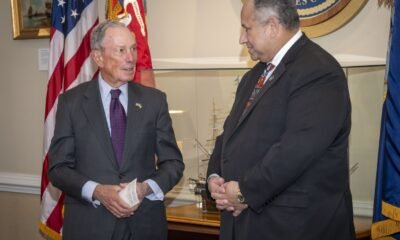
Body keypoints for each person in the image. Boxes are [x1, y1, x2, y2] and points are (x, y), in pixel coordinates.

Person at [206, 0, 355, 239]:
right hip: (246, 225)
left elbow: (296, 149)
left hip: (296, 228)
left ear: (272, 26)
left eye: (246, 28)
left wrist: (244, 191)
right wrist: (215, 178)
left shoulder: (319, 71)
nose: (242, 39)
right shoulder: (253, 76)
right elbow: (229, 136)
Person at [48, 20, 184, 240]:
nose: (131, 58)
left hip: (144, 226)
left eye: (133, 48)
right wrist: (98, 191)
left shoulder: (154, 101)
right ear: (98, 57)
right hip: (89, 227)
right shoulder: (71, 103)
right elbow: (58, 168)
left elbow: (173, 164)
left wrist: (145, 188)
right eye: (121, 50)